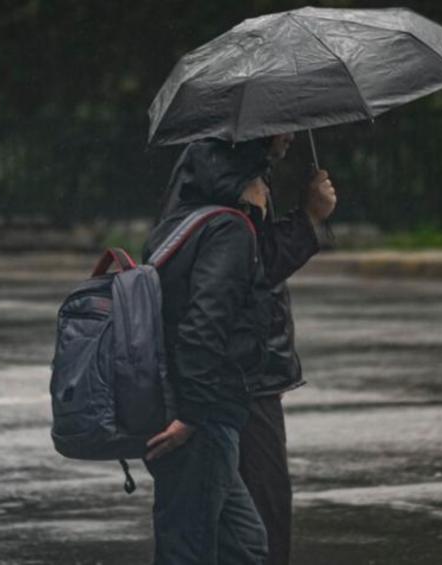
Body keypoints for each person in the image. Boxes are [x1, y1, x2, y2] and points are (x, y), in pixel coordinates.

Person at [155, 133, 337, 565]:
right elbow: (234, 288)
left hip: (225, 384)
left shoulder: (217, 172)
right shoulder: (232, 193)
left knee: (226, 534)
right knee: (249, 529)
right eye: (284, 122)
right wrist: (310, 217)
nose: (291, 133)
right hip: (239, 383)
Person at [141, 139, 274, 565]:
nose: (289, 137)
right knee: (190, 549)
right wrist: (192, 416)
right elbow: (205, 322)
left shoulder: (182, 224)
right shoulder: (229, 229)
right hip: (203, 417)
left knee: (244, 545)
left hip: (190, 407)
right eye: (280, 134)